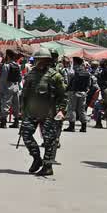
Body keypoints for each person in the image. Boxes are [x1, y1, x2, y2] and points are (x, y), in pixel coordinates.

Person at [19, 47, 67, 176]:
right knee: (26, 134)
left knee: (49, 140)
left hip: (48, 112)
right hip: (32, 111)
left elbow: (63, 96)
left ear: (48, 61)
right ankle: (36, 158)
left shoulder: (55, 76)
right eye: (38, 60)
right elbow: (24, 94)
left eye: (44, 60)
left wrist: (61, 111)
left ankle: (47, 166)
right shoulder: (31, 75)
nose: (41, 62)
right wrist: (22, 110)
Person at [65, 56, 92, 133]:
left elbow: (68, 82)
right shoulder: (87, 72)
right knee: (82, 110)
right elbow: (89, 84)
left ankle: (71, 126)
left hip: (73, 92)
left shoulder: (72, 72)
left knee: (72, 109)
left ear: (75, 62)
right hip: (83, 93)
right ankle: (84, 127)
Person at [0, 52, 22, 128]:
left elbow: (3, 79)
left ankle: (3, 122)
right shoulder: (18, 66)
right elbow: (20, 78)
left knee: (5, 104)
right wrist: (16, 85)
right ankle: (16, 122)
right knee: (16, 105)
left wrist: (0, 89)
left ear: (7, 56)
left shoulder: (6, 66)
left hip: (7, 87)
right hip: (16, 87)